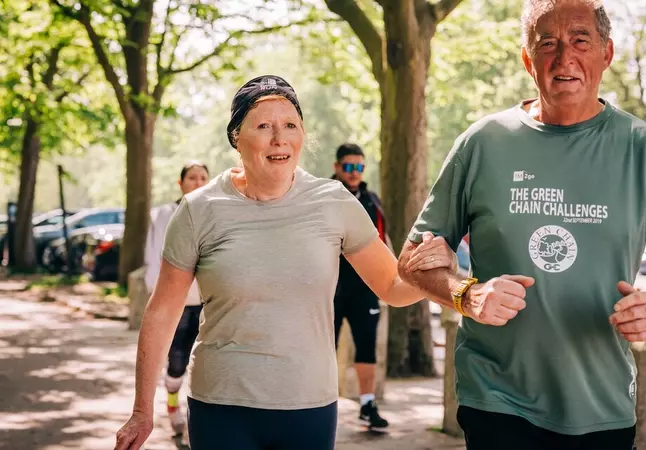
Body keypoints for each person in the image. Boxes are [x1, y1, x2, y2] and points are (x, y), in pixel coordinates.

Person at [397, 1, 646, 449]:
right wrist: (468, 294)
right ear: (528, 60)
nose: (564, 56)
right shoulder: (482, 144)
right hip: (496, 397)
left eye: (580, 40)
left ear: (606, 54)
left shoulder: (645, 150)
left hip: (600, 403)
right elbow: (411, 261)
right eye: (547, 43)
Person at [113, 75, 459, 450]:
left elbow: (392, 286)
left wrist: (440, 274)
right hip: (221, 405)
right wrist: (141, 410)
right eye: (263, 126)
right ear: (236, 137)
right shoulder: (199, 210)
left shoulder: (334, 201)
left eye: (290, 125)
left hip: (309, 406)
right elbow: (162, 311)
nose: (279, 138)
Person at [143, 161, 209, 441]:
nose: (197, 182)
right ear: (180, 183)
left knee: (205, 362)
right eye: (192, 178)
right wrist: (157, 293)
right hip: (177, 302)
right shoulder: (164, 215)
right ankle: (172, 402)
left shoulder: (215, 214)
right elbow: (153, 255)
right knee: (177, 361)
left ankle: (198, 416)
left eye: (203, 178)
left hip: (208, 301)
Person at [331, 143, 390, 429]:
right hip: (327, 288)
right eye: (349, 167)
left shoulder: (371, 199)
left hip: (364, 288)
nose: (354, 173)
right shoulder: (322, 195)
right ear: (337, 167)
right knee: (321, 347)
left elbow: (382, 242)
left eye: (359, 167)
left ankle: (368, 405)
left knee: (366, 347)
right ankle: (320, 405)